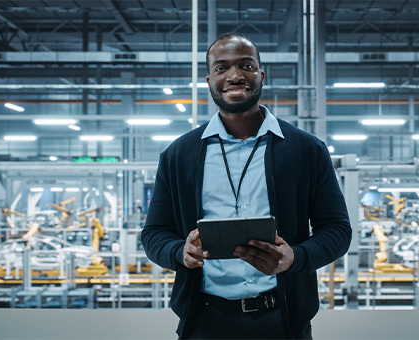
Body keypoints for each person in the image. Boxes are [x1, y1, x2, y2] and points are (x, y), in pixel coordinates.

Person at [141, 33, 352, 339]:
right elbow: (154, 233)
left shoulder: (306, 150)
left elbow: (337, 230)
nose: (235, 76)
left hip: (283, 320)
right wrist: (179, 252)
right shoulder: (179, 155)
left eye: (246, 65)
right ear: (209, 79)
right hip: (204, 321)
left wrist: (296, 257)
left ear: (261, 75)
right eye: (221, 68)